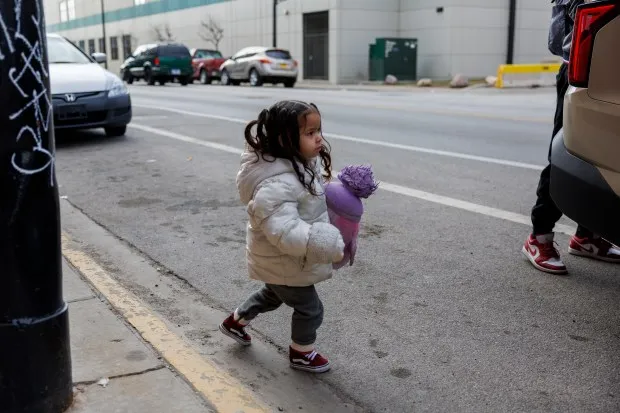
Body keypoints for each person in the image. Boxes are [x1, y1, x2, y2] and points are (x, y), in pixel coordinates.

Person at [219, 100, 345, 373]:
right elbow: (285, 231)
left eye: (318, 130)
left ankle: (236, 321)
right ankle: (302, 353)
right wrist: (324, 242)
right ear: (285, 139)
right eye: (310, 133)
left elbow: (306, 199)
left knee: (272, 294)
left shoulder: (297, 164)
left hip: (279, 263)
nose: (319, 137)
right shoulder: (275, 183)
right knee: (311, 308)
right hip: (284, 257)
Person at [523, 0, 620, 274]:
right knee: (567, 151)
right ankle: (539, 237)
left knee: (600, 154)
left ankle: (586, 237)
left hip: (608, 69)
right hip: (585, 70)